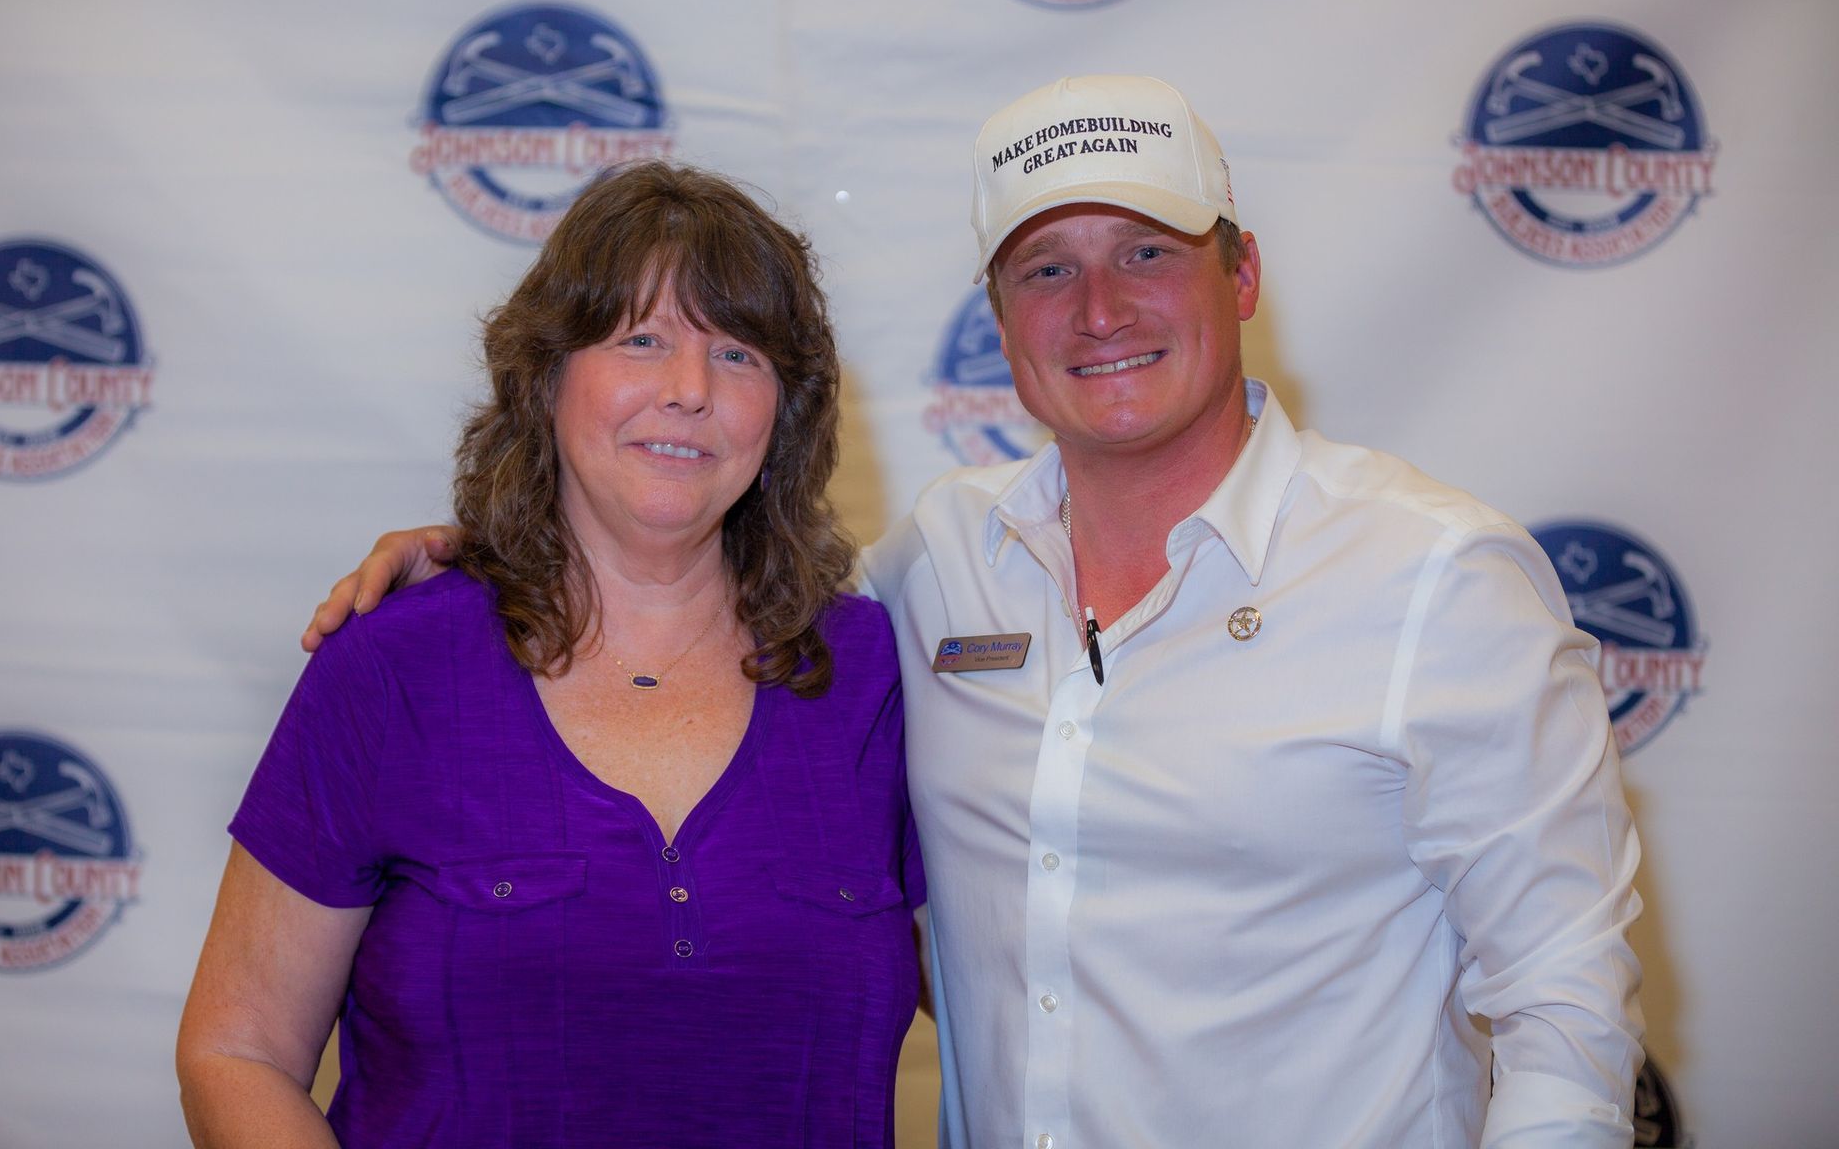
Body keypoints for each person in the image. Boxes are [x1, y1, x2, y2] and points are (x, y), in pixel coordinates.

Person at [306, 76, 1644, 1147]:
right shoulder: (937, 566)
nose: (1102, 308)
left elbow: (1564, 1015)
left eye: (1146, 251)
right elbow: (685, 578)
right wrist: (483, 554)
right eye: (1045, 270)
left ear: (1240, 275)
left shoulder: (1437, 579)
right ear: (1000, 318)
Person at [178, 162, 923, 1148]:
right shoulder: (392, 666)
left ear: (785, 409)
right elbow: (237, 1048)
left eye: (738, 353)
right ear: (546, 375)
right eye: (642, 339)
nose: (689, 390)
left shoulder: (876, 672)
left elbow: (1027, 987)